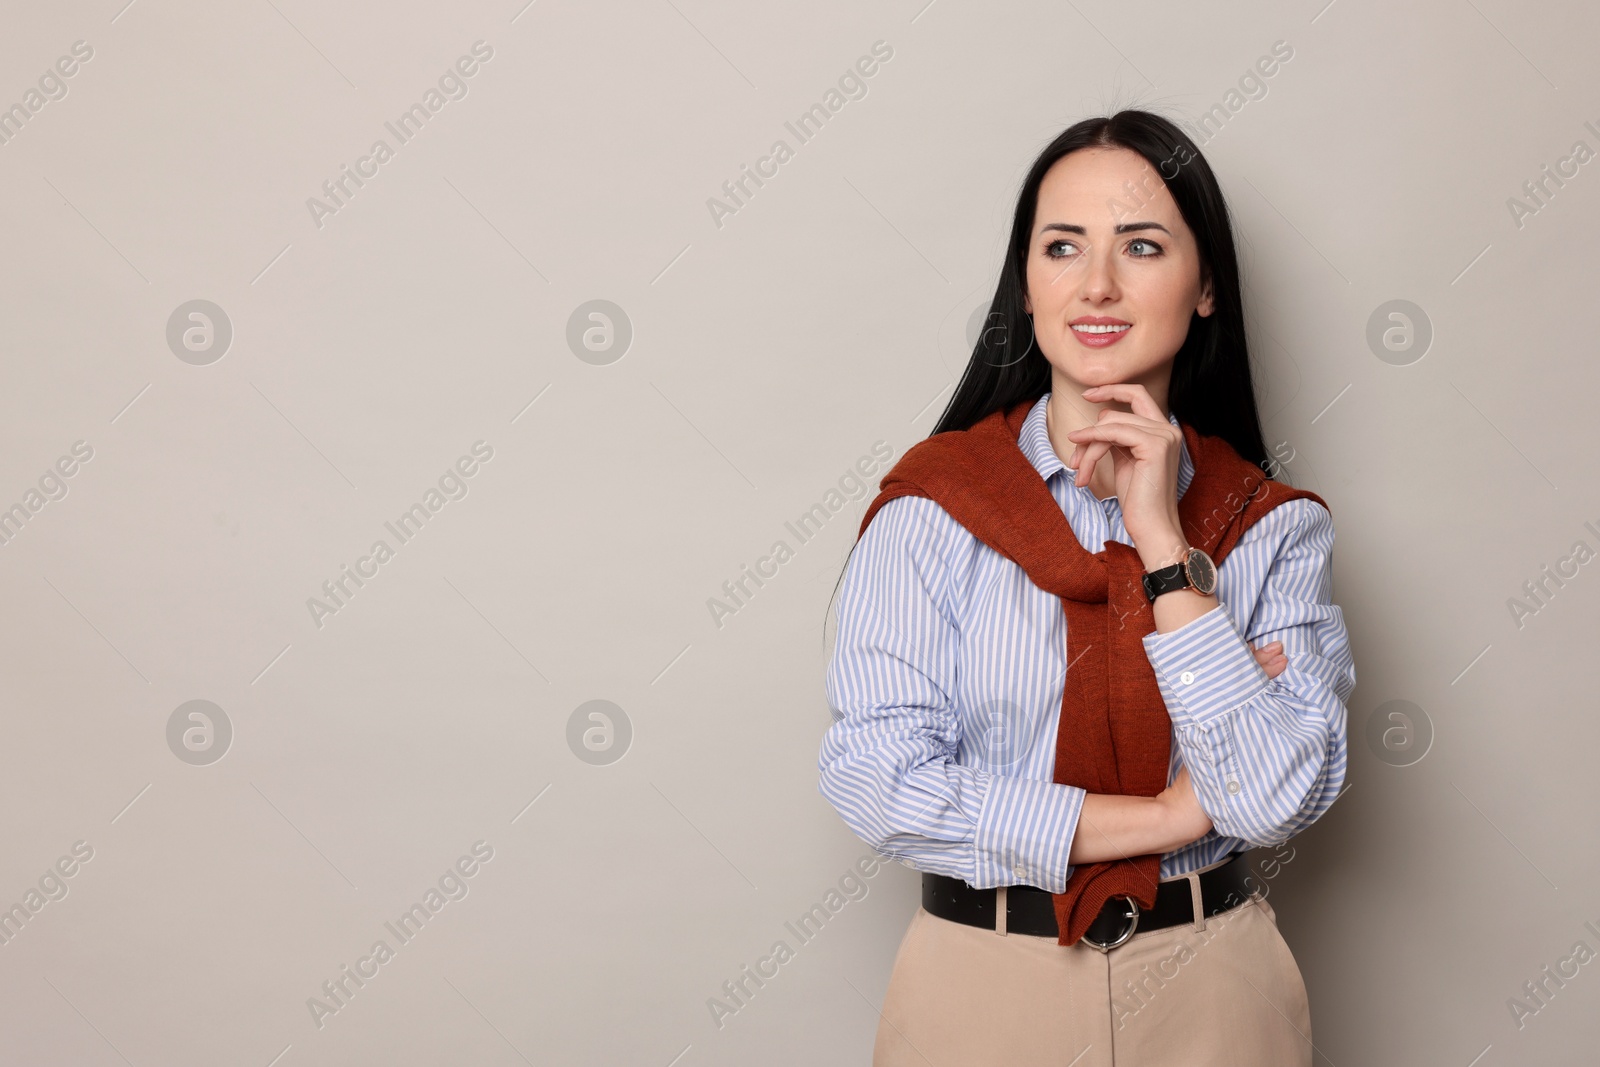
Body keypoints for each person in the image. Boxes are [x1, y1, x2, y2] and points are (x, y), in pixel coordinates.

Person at [818, 109, 1356, 1065]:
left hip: (1212, 987)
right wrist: (1169, 817)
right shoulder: (933, 511)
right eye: (1063, 246)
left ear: (1205, 289)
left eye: (1142, 245)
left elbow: (1273, 799)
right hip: (980, 982)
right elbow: (881, 782)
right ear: (1027, 286)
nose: (1097, 284)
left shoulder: (1270, 527)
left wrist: (1163, 549)